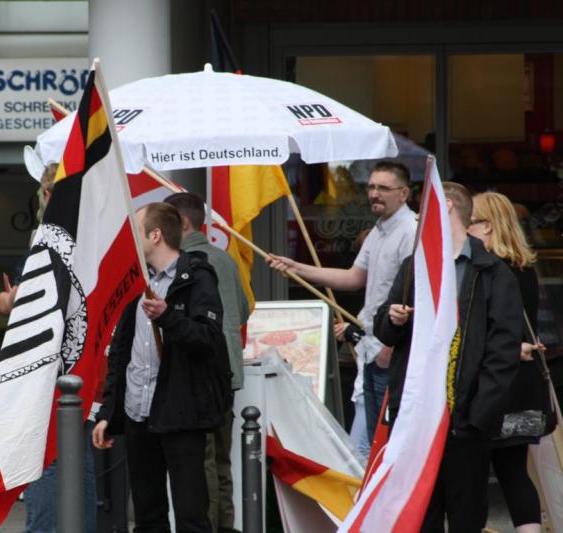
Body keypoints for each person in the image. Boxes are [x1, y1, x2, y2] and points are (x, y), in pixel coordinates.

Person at [374, 182, 522, 532]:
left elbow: (502, 354)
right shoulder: (415, 264)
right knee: (419, 514)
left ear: (449, 208)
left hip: (464, 420)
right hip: (416, 419)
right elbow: (385, 330)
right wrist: (391, 318)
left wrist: (476, 415)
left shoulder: (492, 272)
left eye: (424, 208)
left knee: (466, 515)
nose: (417, 216)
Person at [93, 202, 231, 532]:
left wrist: (168, 317)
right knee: (147, 516)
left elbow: (208, 339)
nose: (129, 239)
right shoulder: (133, 283)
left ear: (155, 235)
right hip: (138, 414)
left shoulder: (197, 278)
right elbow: (121, 358)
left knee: (190, 515)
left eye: (136, 232)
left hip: (180, 413)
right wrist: (108, 414)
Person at [268, 160, 416, 462]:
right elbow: (353, 278)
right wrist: (297, 267)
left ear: (403, 193)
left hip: (388, 352)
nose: (374, 194)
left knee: (380, 448)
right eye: (371, 187)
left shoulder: (411, 231)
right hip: (371, 350)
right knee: (366, 448)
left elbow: (414, 295)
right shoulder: (379, 231)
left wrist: (390, 346)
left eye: (383, 188)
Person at [0, 164, 97, 533]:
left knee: (44, 457)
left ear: (49, 195)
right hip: (79, 362)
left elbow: (35, 297)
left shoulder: (51, 236)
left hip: (48, 365)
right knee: (76, 460)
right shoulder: (89, 233)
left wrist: (12, 299)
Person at [164, 192, 249, 532]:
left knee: (203, 464)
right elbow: (243, 310)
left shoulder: (188, 263)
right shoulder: (224, 258)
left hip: (202, 373)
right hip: (227, 373)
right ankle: (225, 525)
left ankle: (210, 527)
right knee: (222, 462)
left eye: (165, 222)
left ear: (182, 223)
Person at [469, 191, 548, 533]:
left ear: (487, 226)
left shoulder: (486, 270)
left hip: (494, 383)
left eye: (468, 221)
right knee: (514, 471)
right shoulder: (524, 267)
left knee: (471, 472)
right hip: (525, 382)